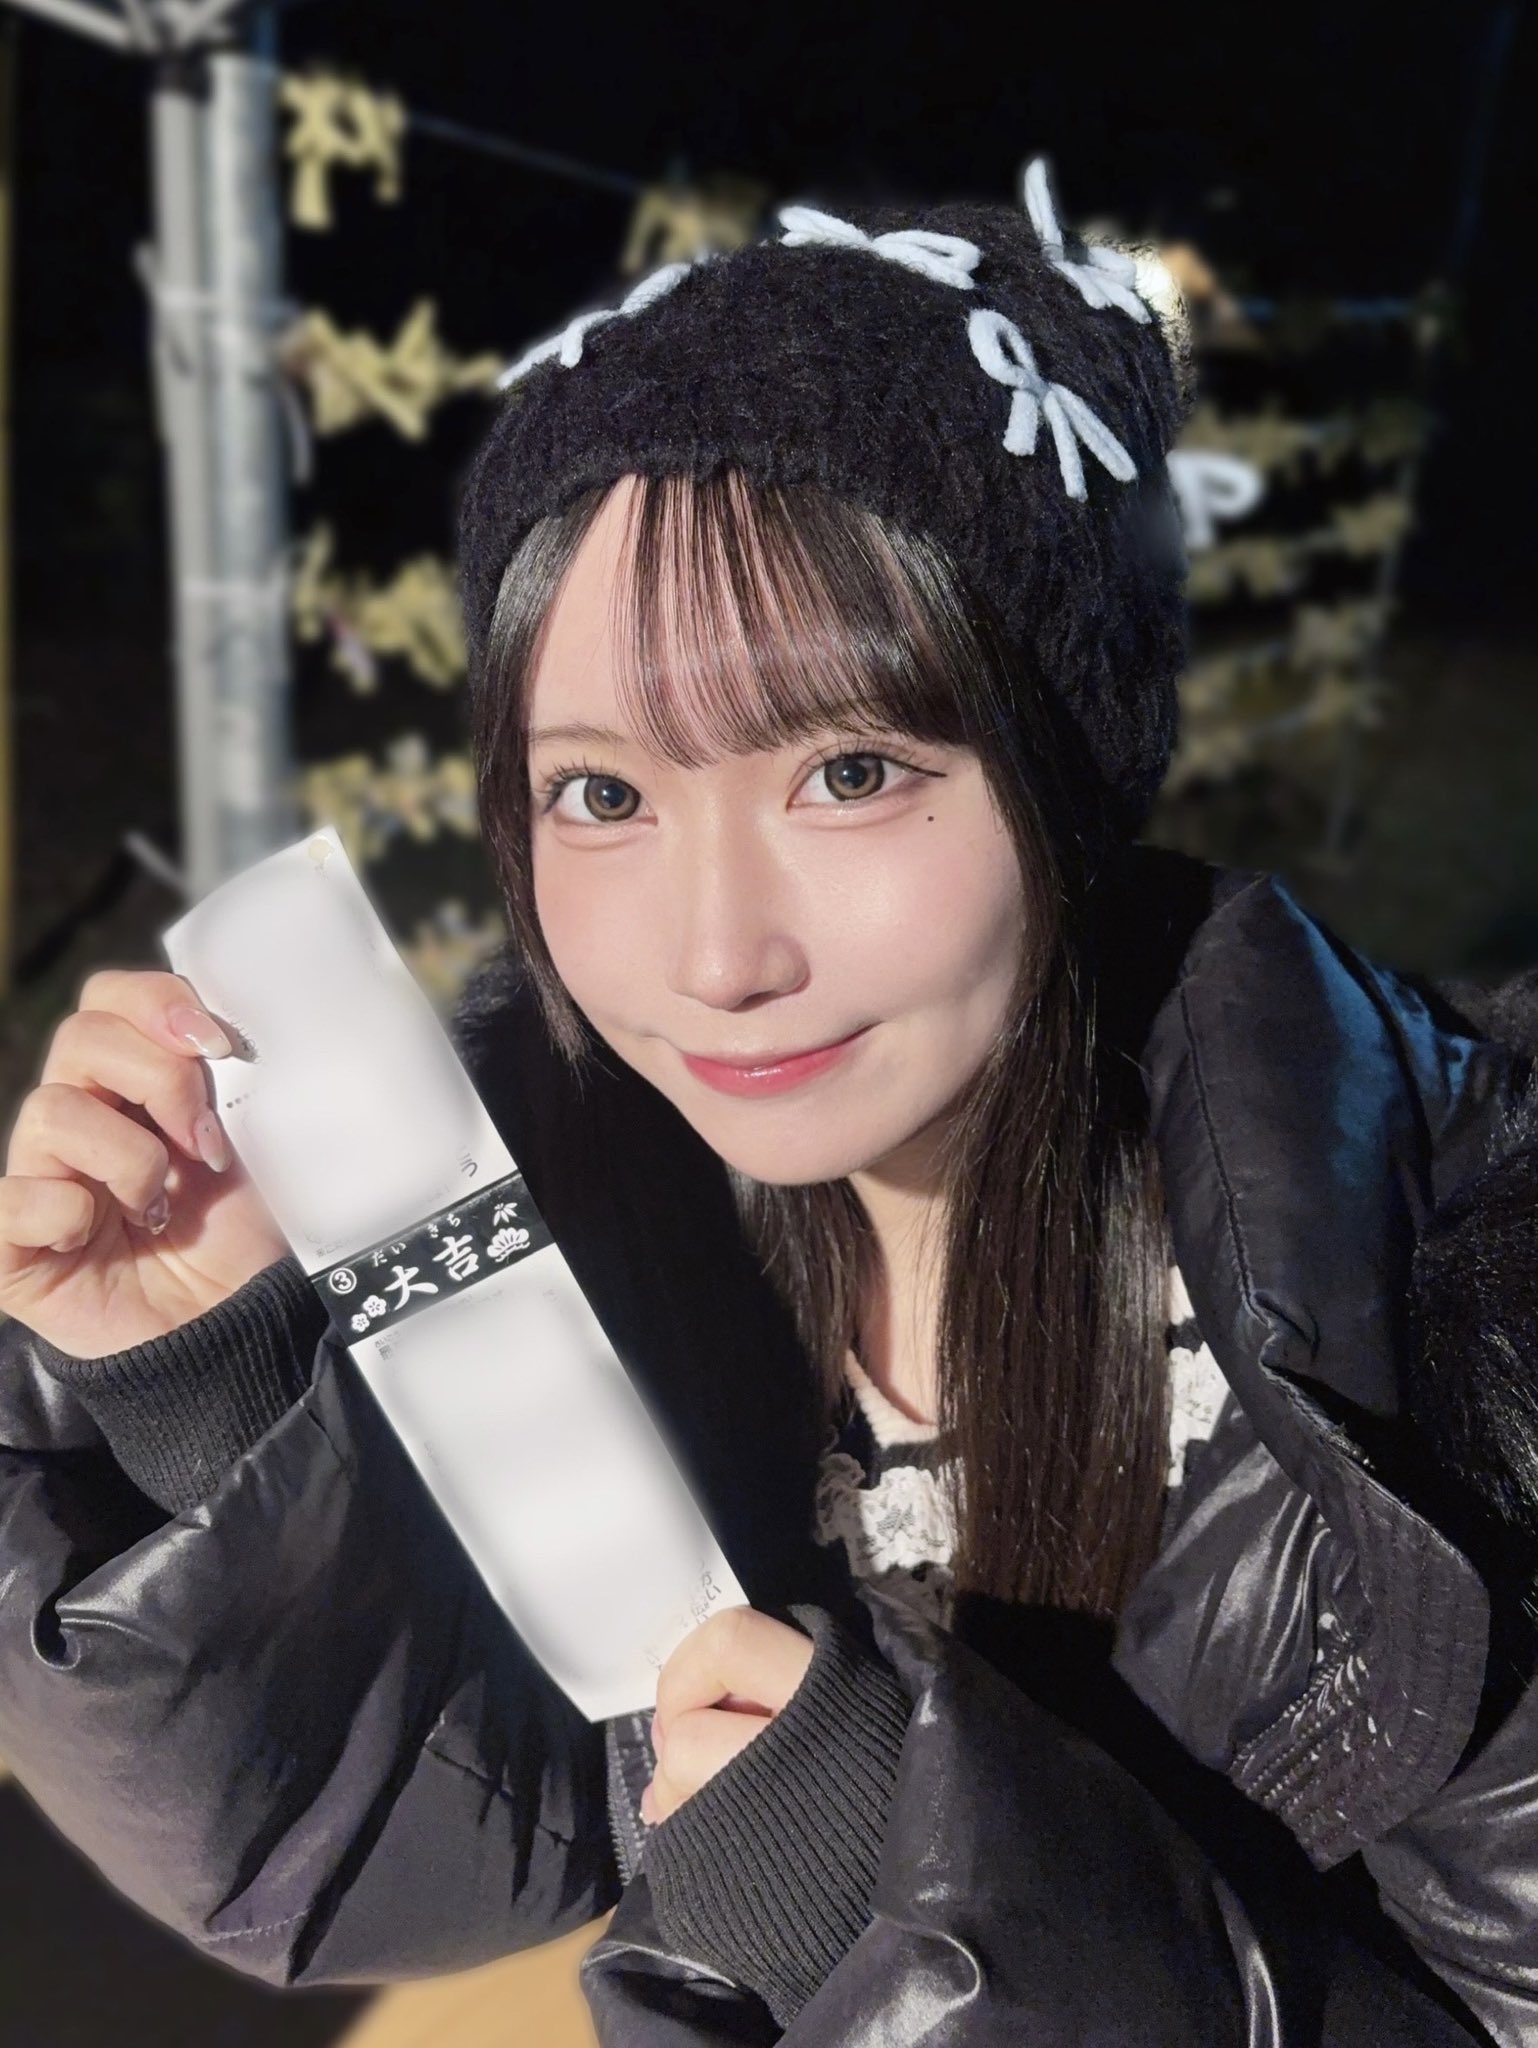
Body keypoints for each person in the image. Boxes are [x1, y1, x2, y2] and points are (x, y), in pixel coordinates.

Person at [2, 163, 1537, 2045]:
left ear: (1064, 777)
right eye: (602, 796)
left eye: (850, 772)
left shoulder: (1467, 1320)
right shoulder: (586, 1206)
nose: (715, 957)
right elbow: (455, 1826)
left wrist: (897, 1910)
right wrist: (224, 1391)